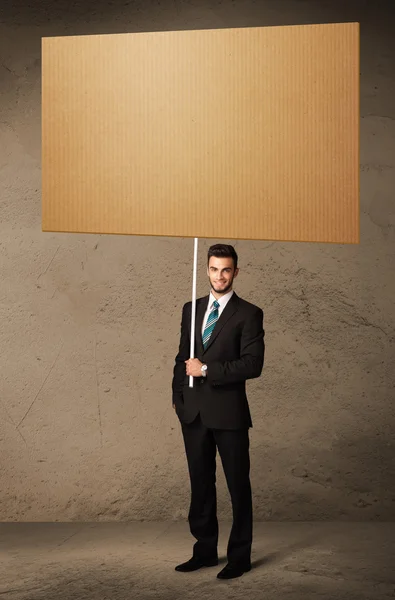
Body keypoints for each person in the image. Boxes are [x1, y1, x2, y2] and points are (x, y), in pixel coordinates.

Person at [172, 243, 265, 579]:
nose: (219, 276)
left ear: (235, 272)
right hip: (193, 414)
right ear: (206, 269)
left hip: (229, 415)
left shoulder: (249, 314)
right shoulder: (191, 309)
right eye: (214, 269)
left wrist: (207, 369)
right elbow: (182, 357)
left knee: (238, 486)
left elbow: (253, 365)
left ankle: (239, 557)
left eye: (226, 270)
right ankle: (205, 551)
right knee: (201, 485)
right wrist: (178, 400)